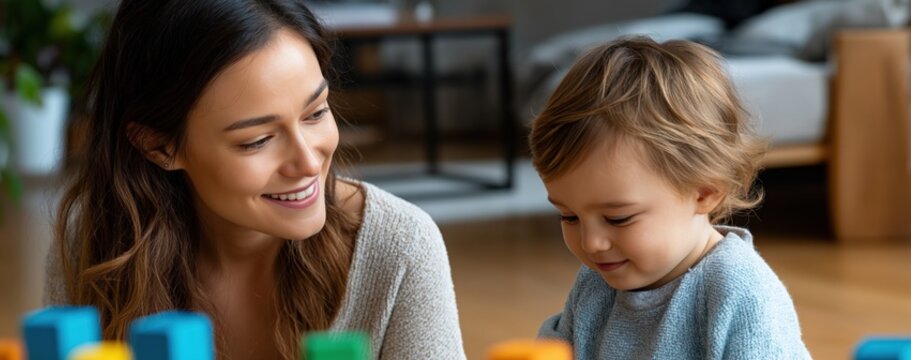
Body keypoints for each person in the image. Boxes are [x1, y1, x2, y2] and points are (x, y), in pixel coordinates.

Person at [44, 1, 465, 359]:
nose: (306, 161)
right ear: (158, 146)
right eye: (257, 140)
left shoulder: (399, 247)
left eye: (316, 112)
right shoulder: (97, 244)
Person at [529, 36, 811, 359]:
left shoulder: (739, 291)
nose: (591, 242)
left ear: (704, 192)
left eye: (618, 218)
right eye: (569, 216)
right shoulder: (596, 285)